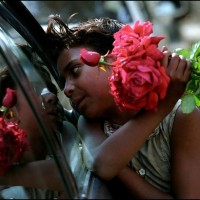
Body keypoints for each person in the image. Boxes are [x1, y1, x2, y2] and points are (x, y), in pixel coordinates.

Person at [45, 15, 200, 199]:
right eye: (63, 82)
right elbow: (103, 165)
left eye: (75, 71)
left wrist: (166, 105)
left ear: (118, 60)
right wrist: (162, 107)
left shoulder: (182, 117)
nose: (67, 90)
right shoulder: (89, 123)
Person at [0, 45, 82, 199]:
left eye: (51, 89)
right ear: (10, 114)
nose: (51, 96)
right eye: (35, 90)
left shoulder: (66, 134)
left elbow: (65, 175)